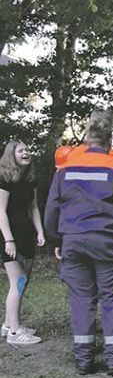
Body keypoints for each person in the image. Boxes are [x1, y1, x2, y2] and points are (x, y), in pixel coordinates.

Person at [44, 110, 113, 375]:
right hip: (109, 240)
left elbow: (52, 205)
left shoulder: (67, 164)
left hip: (73, 240)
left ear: (86, 137)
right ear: (110, 139)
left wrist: (56, 238)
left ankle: (84, 360)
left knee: (81, 300)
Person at [0, 140, 44, 345]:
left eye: (27, 149)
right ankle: (15, 334)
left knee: (22, 282)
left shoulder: (30, 179)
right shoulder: (4, 178)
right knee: (18, 282)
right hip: (9, 236)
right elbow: (0, 212)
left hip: (26, 234)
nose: (26, 152)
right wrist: (8, 239)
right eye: (21, 150)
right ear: (12, 154)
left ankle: (9, 324)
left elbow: (34, 208)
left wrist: (40, 232)